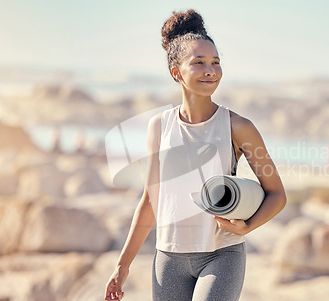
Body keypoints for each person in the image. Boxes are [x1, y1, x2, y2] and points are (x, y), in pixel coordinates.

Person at [104, 9, 286, 301]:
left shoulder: (238, 127)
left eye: (215, 62)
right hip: (169, 259)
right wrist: (121, 267)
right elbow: (151, 200)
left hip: (221, 256)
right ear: (177, 72)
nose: (210, 70)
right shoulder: (159, 127)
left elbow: (277, 194)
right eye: (198, 63)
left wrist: (247, 227)